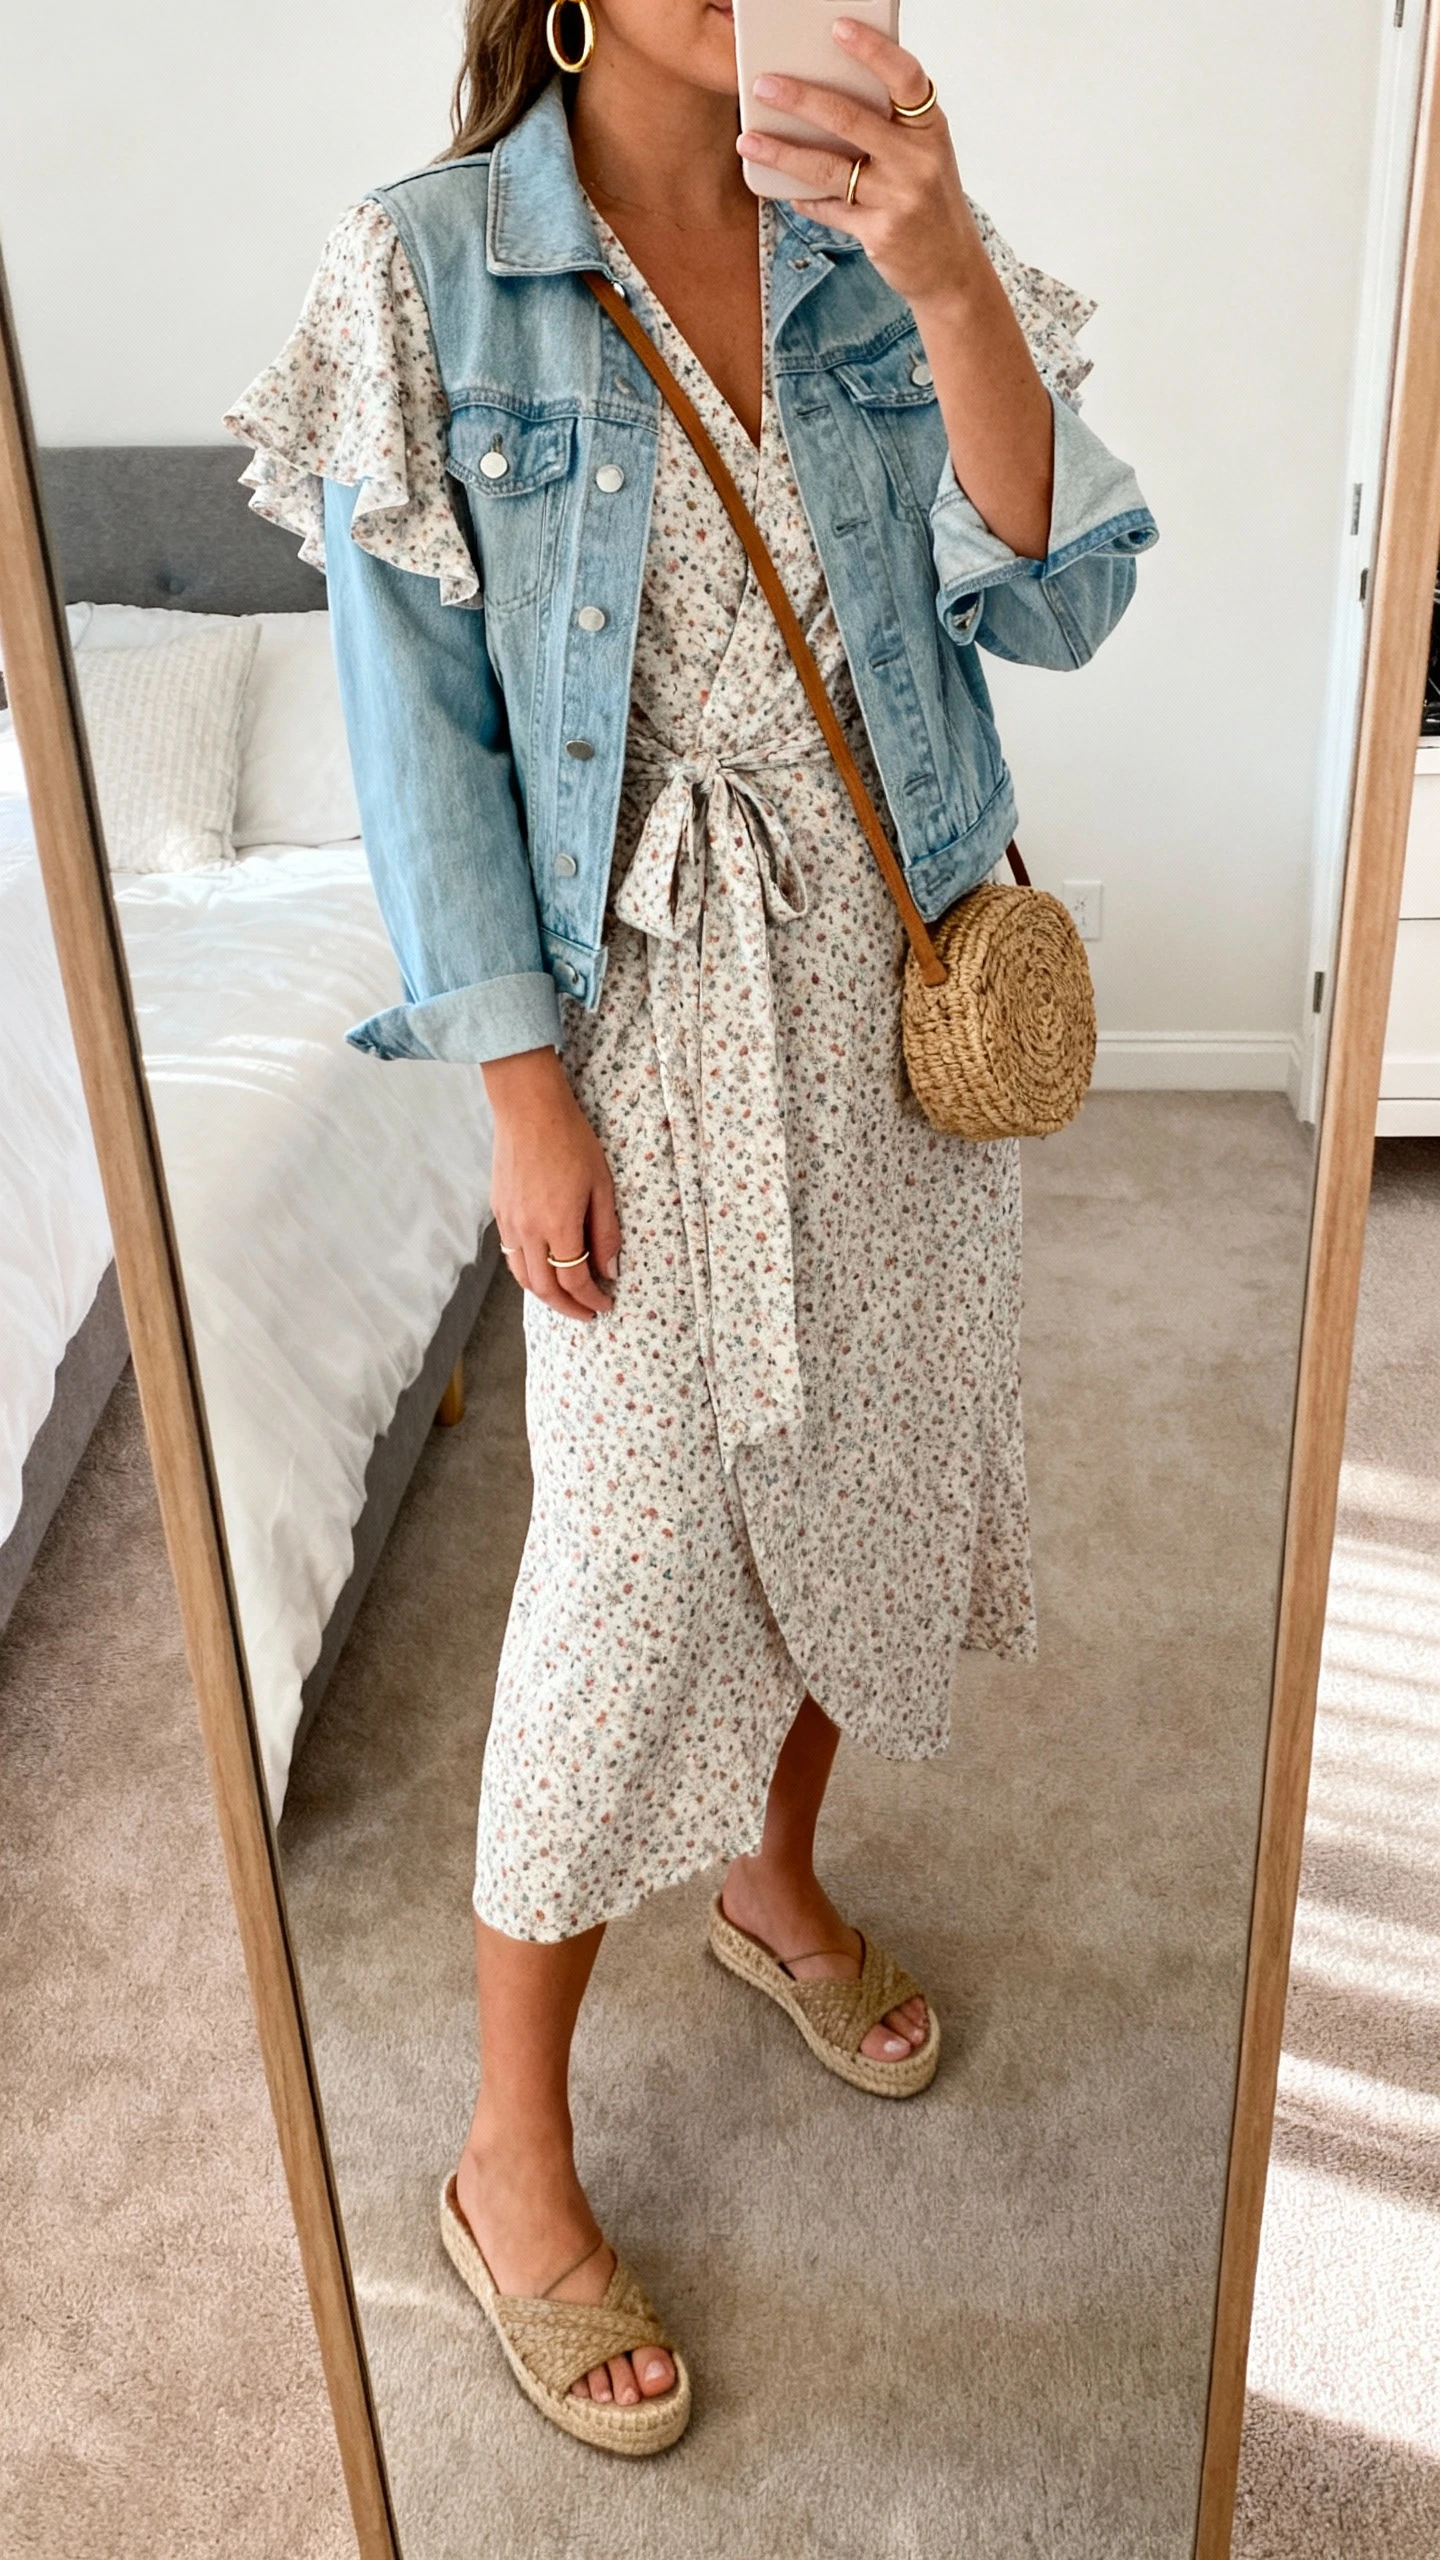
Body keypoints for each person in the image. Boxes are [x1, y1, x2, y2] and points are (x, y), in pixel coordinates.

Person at [226, 0, 1155, 2455]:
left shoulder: (884, 217)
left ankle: (771, 1876)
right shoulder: (427, 269)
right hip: (638, 1001)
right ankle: (505, 2152)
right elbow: (422, 745)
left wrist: (945, 274)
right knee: (625, 1580)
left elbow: (1057, 598)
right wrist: (523, 1095)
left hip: (901, 975)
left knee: (879, 1466)